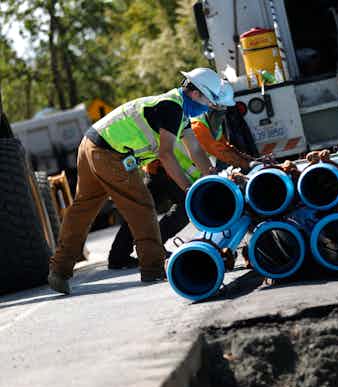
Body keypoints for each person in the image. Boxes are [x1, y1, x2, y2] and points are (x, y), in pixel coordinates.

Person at [47, 68, 224, 294]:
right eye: (210, 100)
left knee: (83, 208)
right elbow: (166, 155)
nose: (209, 106)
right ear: (197, 94)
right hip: (109, 152)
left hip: (90, 143)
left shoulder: (179, 111)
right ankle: (153, 269)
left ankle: (59, 271)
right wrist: (189, 190)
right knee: (141, 206)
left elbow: (196, 150)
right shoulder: (172, 107)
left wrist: (213, 180)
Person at [107, 81, 253, 269]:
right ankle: (147, 249)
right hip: (165, 169)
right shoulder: (197, 121)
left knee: (143, 209)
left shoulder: (204, 119)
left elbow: (218, 149)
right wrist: (241, 166)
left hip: (166, 168)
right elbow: (212, 150)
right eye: (217, 106)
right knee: (180, 209)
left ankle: (121, 255)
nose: (219, 111)